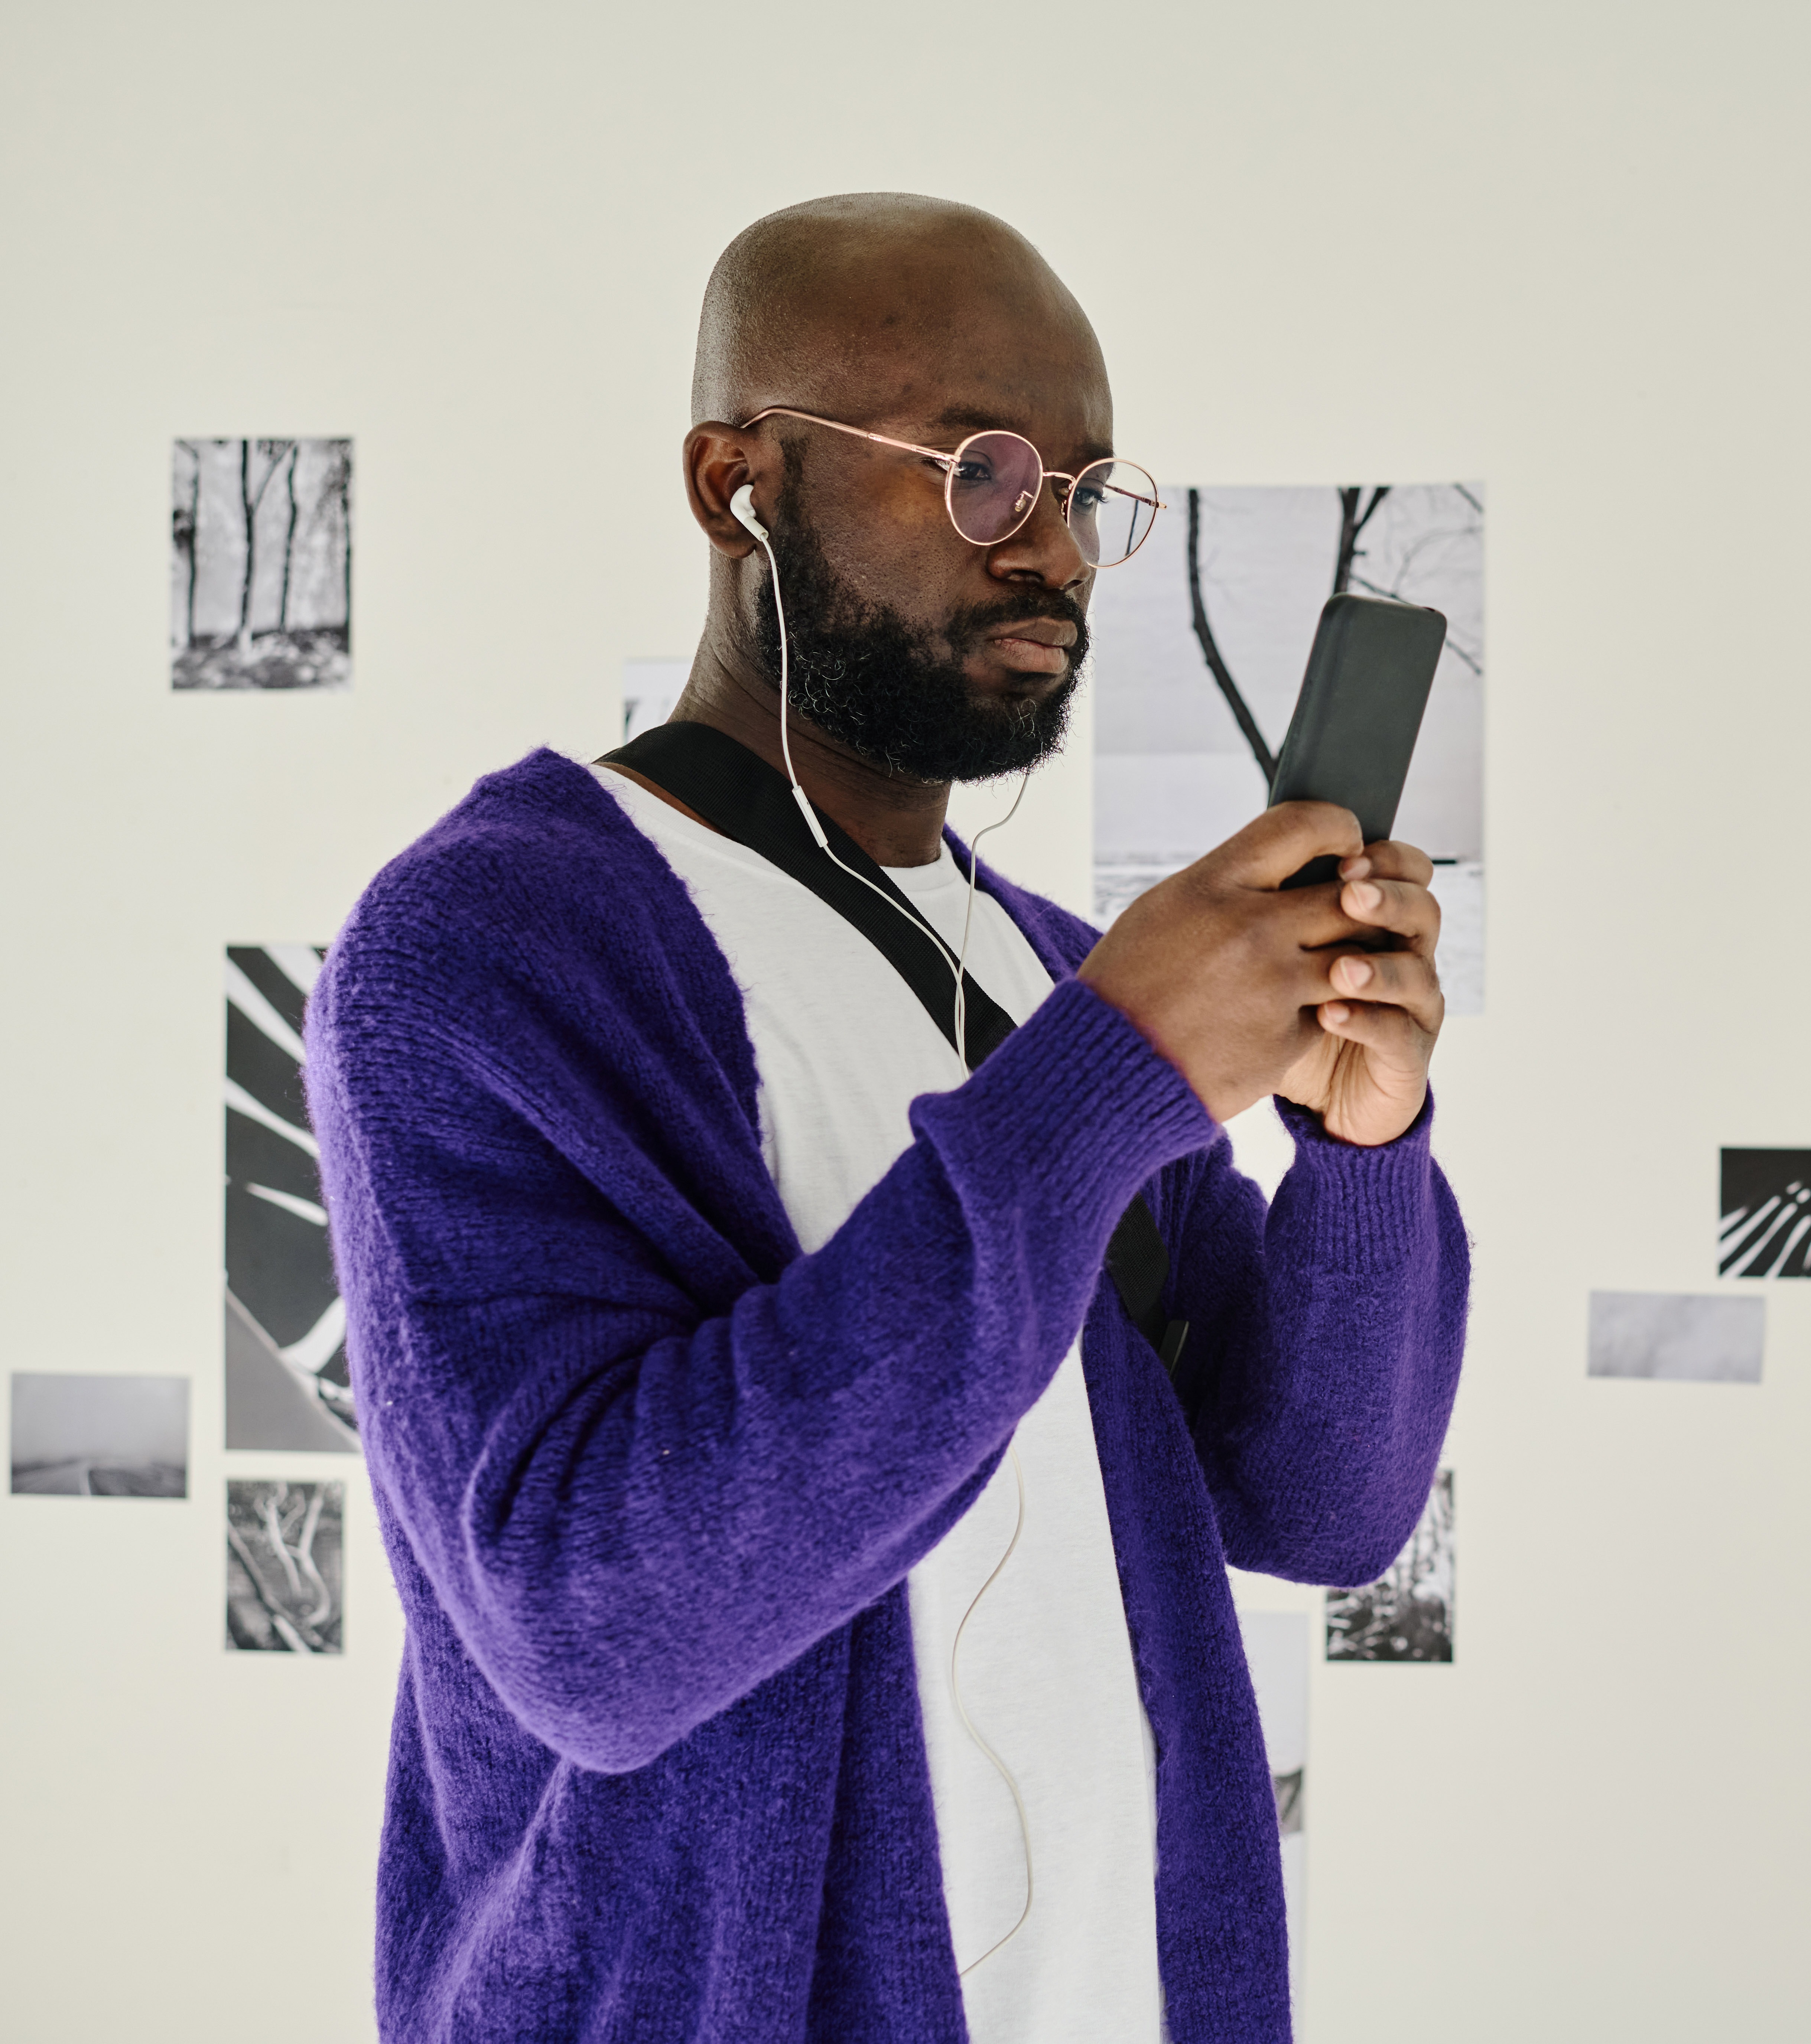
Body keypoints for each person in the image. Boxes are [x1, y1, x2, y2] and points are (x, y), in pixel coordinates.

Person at [306, 192, 1468, 2044]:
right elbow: (589, 1628)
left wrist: (1363, 1151)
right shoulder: (490, 941)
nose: (1058, 550)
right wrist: (1113, 1080)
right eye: (983, 468)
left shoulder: (1054, 976)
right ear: (736, 482)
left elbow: (1317, 1499)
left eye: (1089, 490)